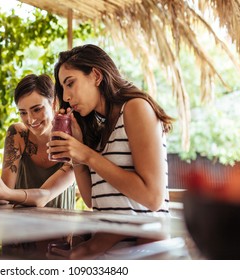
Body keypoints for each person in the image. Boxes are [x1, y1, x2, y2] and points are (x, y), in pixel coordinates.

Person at [47, 44, 174, 259]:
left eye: (70, 84)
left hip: (141, 254)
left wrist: (87, 154)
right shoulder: (100, 128)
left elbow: (153, 198)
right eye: (63, 88)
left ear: (96, 76)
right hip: (107, 251)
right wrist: (77, 153)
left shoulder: (136, 108)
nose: (66, 96)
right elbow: (92, 200)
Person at [0, 74, 75, 209]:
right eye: (23, 112)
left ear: (54, 104)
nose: (30, 119)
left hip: (61, 226)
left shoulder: (73, 139)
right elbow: (5, 194)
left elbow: (43, 196)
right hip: (20, 226)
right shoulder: (18, 134)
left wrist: (1, 192)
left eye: (37, 109)